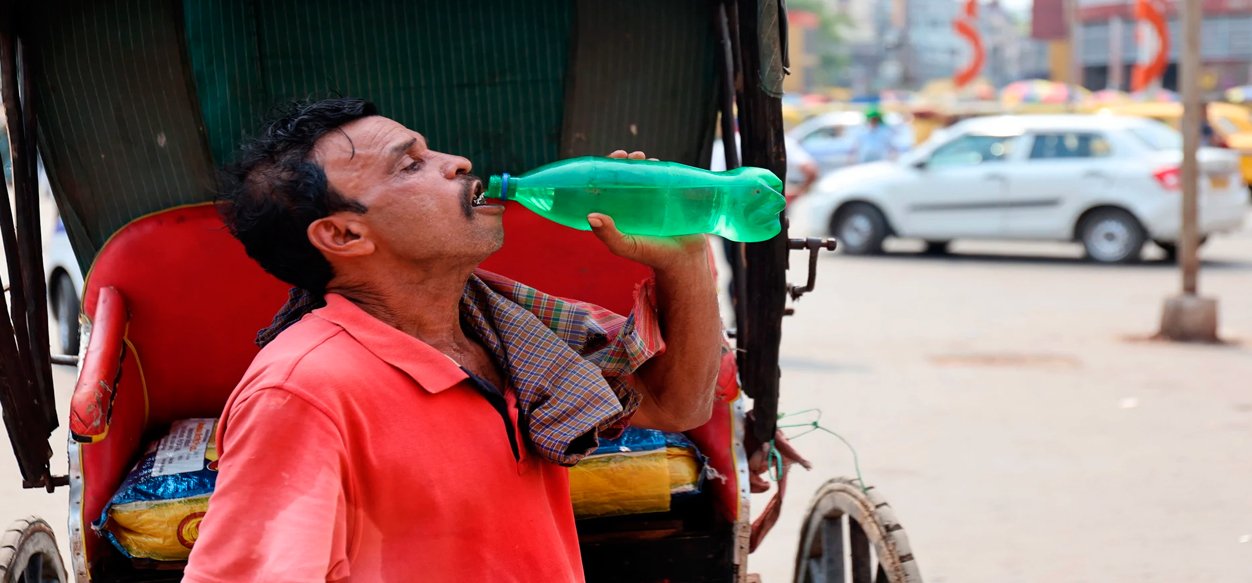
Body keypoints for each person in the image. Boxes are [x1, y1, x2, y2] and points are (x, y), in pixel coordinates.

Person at [181, 98, 724, 582]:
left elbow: (677, 404)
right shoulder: (302, 394)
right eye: (411, 164)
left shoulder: (503, 332)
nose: (457, 162)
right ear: (344, 234)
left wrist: (684, 256)